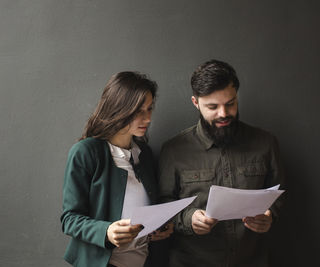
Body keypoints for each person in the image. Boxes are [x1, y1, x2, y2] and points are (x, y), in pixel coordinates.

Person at [158, 60, 285, 267]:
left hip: (252, 260)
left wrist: (270, 216)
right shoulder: (173, 150)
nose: (224, 114)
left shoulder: (266, 143)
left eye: (230, 103)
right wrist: (188, 219)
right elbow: (162, 204)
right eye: (213, 107)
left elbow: (279, 193)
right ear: (195, 102)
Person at [61, 71, 174, 267]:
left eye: (149, 109)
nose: (147, 119)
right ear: (120, 108)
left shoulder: (144, 154)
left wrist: (157, 228)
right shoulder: (86, 152)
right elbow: (69, 219)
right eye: (139, 111)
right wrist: (106, 231)